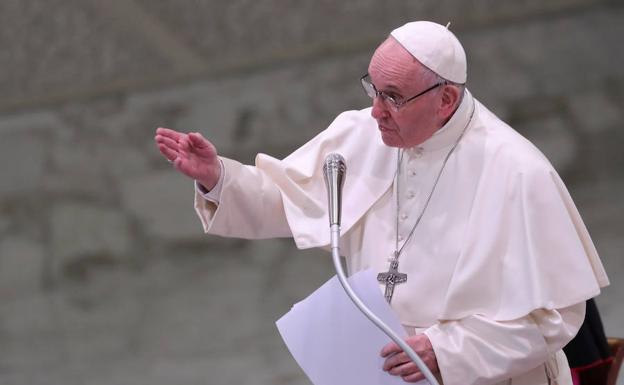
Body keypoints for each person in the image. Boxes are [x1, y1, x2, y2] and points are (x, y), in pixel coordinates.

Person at [154, 21, 609, 385]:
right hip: (378, 370)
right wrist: (219, 178)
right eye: (373, 89)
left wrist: (447, 353)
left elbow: (554, 316)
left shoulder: (517, 170)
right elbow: (290, 200)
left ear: (445, 99)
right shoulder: (364, 133)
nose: (376, 111)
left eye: (393, 97)